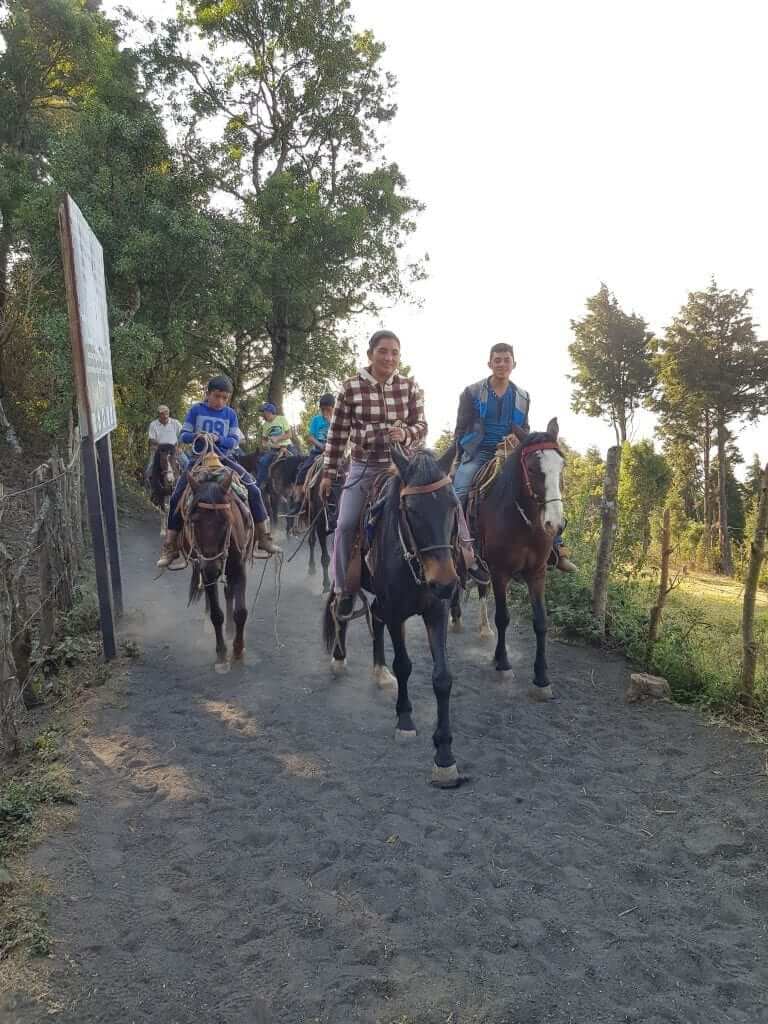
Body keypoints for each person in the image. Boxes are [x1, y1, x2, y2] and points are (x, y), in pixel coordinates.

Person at [319, 330, 488, 620]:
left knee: (449, 500)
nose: (389, 357)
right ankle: (342, 589)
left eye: (395, 353)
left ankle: (468, 560)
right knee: (346, 523)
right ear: (370, 354)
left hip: (408, 466)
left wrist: (406, 433)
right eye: (383, 351)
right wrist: (328, 472)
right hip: (366, 466)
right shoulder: (350, 387)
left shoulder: (410, 387)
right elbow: (338, 435)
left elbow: (421, 426)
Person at [453, 342, 576, 572]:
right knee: (458, 490)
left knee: (543, 484)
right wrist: (459, 457)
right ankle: (460, 547)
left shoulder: (523, 395)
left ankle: (556, 548)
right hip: (479, 451)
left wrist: (516, 439)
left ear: (513, 364)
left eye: (506, 360)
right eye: (497, 360)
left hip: (511, 451)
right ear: (489, 363)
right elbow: (461, 427)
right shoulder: (471, 392)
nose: (501, 364)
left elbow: (524, 427)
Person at [156, 376, 281, 567]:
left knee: (253, 489)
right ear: (207, 394)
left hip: (224, 460)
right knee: (176, 497)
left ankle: (263, 537)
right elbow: (184, 435)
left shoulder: (230, 414)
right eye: (217, 396)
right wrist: (199, 435)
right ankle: (171, 546)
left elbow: (234, 440)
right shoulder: (196, 410)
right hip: (199, 461)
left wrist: (219, 439)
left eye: (225, 397)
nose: (220, 401)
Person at [286, 394, 335, 514]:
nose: (325, 412)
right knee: (303, 471)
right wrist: (320, 445)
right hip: (317, 451)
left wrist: (331, 422)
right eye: (322, 409)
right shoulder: (316, 420)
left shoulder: (337, 419)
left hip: (334, 453)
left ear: (333, 407)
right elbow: (310, 437)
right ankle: (299, 502)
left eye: (327, 409)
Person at [256, 403, 297, 487]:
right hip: (274, 450)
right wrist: (265, 444)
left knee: (297, 460)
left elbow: (289, 434)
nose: (263, 415)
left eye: (263, 412)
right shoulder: (265, 425)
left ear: (269, 412)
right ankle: (261, 484)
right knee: (263, 461)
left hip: (287, 446)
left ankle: (299, 483)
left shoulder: (281, 419)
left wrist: (278, 438)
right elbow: (264, 440)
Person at [146, 405, 188, 480]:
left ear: (169, 412)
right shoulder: (153, 424)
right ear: (159, 414)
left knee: (187, 464)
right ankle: (149, 486)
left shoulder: (175, 423)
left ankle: (187, 486)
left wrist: (180, 447)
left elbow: (182, 436)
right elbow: (151, 439)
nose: (165, 415)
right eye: (162, 413)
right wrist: (157, 445)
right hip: (160, 449)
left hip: (174, 449)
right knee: (150, 468)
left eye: (166, 412)